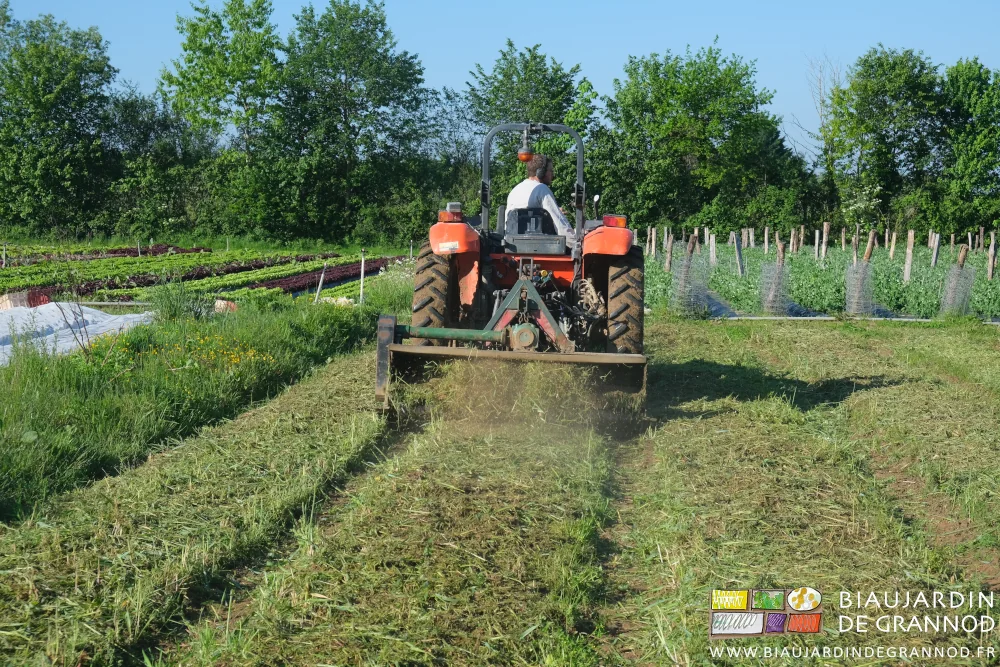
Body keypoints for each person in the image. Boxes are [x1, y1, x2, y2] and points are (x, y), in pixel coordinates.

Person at [505, 154, 575, 242]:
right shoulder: (541, 189)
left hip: (513, 244)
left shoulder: (515, 190)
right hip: (539, 245)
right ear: (541, 172)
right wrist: (574, 242)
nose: (552, 174)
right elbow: (560, 225)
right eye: (550, 171)